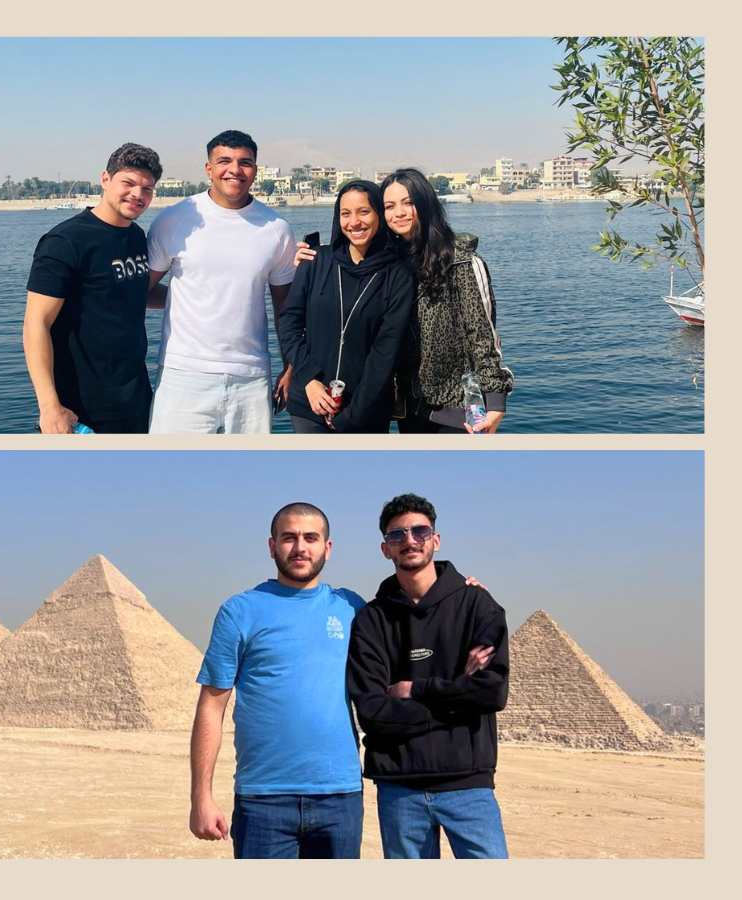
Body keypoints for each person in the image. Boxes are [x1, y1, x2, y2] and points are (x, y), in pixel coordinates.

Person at [189, 503, 366, 858]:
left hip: (340, 796)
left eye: (311, 538)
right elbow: (211, 705)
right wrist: (200, 797)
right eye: (289, 538)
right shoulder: (240, 610)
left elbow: (414, 623)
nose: (300, 547)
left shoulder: (352, 608)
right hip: (264, 799)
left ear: (327, 549)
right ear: (272, 546)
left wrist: (461, 592)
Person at [346, 493, 510, 858]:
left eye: (420, 531)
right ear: (385, 549)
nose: (409, 541)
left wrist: (413, 690)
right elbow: (372, 711)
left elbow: (492, 693)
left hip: (468, 785)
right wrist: (456, 699)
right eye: (397, 535)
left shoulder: (477, 605)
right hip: (399, 789)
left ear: (436, 539)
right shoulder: (371, 621)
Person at [295, 169, 513, 433]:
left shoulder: (462, 262)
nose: (399, 213)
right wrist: (317, 257)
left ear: (425, 203)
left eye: (408, 203)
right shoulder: (391, 263)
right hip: (408, 408)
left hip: (457, 408)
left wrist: (496, 400)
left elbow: (482, 335)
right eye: (389, 206)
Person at [146, 131, 298, 433]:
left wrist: (291, 367)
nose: (235, 170)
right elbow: (139, 291)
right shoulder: (174, 220)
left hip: (252, 378)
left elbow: (286, 309)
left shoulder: (276, 229)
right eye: (224, 161)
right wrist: (189, 300)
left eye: (245, 162)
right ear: (208, 169)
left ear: (255, 169)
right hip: (183, 374)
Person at [23, 142, 161, 434]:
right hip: (81, 407)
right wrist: (49, 407)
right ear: (105, 180)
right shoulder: (65, 242)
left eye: (147, 189)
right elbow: (37, 323)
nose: (138, 194)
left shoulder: (136, 237)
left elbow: (134, 291)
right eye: (129, 183)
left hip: (135, 397)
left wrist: (200, 297)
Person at [277, 180, 415, 433]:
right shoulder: (315, 261)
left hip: (366, 410)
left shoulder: (398, 273)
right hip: (310, 401)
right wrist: (309, 379)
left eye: (364, 212)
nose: (354, 222)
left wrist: (354, 414)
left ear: (379, 215)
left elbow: (386, 350)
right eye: (345, 214)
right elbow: (289, 322)